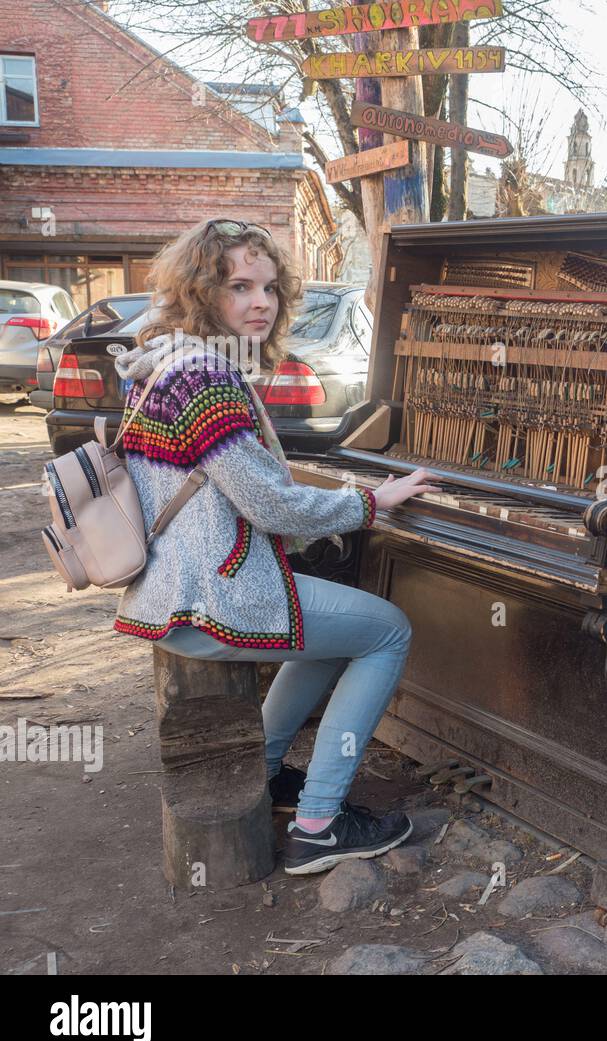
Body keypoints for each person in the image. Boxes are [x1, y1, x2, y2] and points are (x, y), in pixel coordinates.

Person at [111, 217, 440, 875]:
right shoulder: (206, 375)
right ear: (203, 293)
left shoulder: (163, 360)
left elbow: (249, 488)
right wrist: (371, 501)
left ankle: (262, 772)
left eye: (268, 288)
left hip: (171, 593)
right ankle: (320, 824)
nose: (259, 302)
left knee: (333, 630)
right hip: (214, 599)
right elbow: (270, 502)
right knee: (388, 632)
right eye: (238, 287)